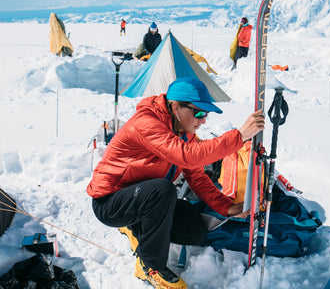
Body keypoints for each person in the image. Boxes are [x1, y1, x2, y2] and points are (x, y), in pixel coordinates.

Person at [87, 77, 265, 289]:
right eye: (199, 113)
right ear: (176, 107)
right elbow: (187, 157)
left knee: (194, 231)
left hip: (143, 199)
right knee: (163, 190)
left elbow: (197, 176)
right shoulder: (146, 122)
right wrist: (240, 136)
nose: (203, 120)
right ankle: (151, 266)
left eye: (206, 114)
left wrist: (226, 207)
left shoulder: (183, 132)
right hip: (111, 202)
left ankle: (137, 227)